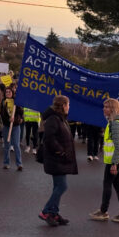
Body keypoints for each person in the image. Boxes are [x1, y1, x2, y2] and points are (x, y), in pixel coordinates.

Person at [90, 98, 119, 224]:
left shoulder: (116, 124)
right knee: (117, 185)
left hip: (116, 160)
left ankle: (104, 212)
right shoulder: (114, 122)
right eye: (104, 106)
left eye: (107, 107)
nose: (104, 109)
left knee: (107, 184)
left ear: (113, 109)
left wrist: (114, 164)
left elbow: (118, 146)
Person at [39, 95, 77, 227]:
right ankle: (46, 211)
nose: (69, 107)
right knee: (62, 186)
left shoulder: (60, 118)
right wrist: (60, 151)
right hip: (56, 158)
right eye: (68, 104)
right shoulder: (53, 119)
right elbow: (49, 138)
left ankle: (54, 213)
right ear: (63, 106)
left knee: (58, 186)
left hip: (59, 159)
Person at [0, 87, 24, 171]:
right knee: (7, 145)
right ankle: (6, 163)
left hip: (16, 126)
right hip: (7, 126)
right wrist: (8, 119)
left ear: (12, 93)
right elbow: (2, 114)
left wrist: (20, 118)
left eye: (9, 92)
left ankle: (19, 164)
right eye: (6, 92)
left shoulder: (16, 101)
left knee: (16, 145)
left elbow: (21, 112)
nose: (8, 93)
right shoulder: (3, 102)